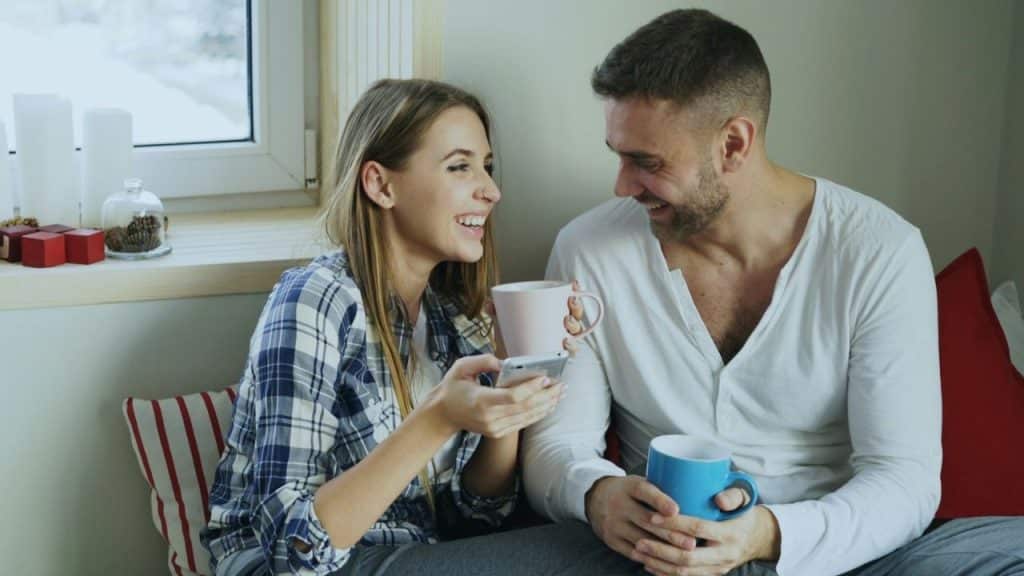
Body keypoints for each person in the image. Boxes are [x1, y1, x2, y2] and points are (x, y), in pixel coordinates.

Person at [523, 9, 1024, 576]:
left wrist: (770, 534)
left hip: (840, 553)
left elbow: (903, 479)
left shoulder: (879, 251)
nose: (621, 185)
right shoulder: (590, 248)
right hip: (655, 556)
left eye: (646, 162)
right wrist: (596, 496)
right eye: (618, 154)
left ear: (733, 144)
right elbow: (553, 447)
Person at [201, 78, 580, 576]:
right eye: (459, 166)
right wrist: (438, 418)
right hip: (318, 566)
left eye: (485, 167)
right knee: (590, 554)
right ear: (381, 185)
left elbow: (479, 520)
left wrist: (510, 385)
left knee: (595, 547)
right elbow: (293, 550)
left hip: (413, 558)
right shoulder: (315, 300)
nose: (491, 191)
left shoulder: (456, 324)